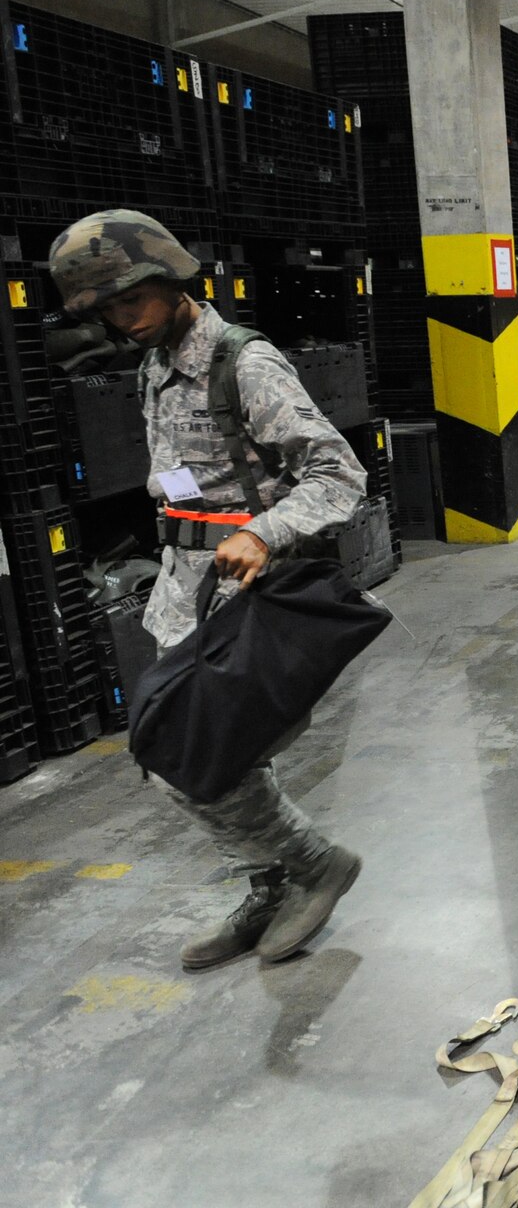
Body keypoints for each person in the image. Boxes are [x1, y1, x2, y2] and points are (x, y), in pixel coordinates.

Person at [48, 210, 368, 971]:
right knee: (197, 758)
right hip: (181, 593)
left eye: (127, 303)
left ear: (166, 277)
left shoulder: (243, 363)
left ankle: (313, 864)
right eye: (105, 314)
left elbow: (339, 475)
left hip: (247, 597)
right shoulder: (154, 366)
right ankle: (273, 883)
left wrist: (263, 532)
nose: (120, 324)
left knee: (198, 758)